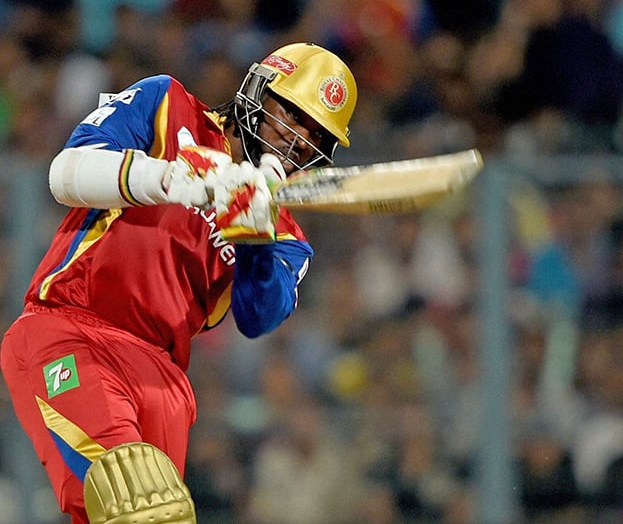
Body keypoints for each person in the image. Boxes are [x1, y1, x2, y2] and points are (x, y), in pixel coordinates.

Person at [0, 41, 358, 523]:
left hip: (163, 380)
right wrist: (171, 179)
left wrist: (255, 236)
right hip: (73, 330)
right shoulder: (169, 104)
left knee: (154, 513)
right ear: (257, 90)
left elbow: (258, 317)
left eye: (313, 135)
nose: (295, 141)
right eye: (291, 115)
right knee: (134, 504)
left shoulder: (287, 235)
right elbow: (65, 174)